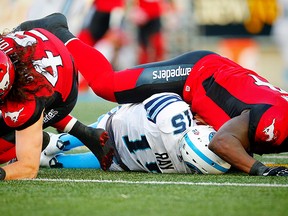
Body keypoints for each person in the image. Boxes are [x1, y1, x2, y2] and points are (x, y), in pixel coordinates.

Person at [16, 13, 288, 176]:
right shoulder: (274, 122)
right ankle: (59, 31)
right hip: (196, 75)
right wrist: (259, 169)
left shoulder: (278, 119)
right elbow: (223, 142)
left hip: (214, 85)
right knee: (106, 85)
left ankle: (59, 147)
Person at [0, 26, 109, 180]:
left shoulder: (24, 98)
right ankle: (78, 133)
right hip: (43, 40)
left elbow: (28, 169)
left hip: (63, 93)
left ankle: (50, 140)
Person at [40, 92, 231, 174]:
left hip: (115, 125)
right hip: (122, 161)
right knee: (105, 160)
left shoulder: (175, 114)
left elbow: (154, 98)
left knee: (99, 129)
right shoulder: (184, 168)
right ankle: (50, 161)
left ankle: (58, 142)